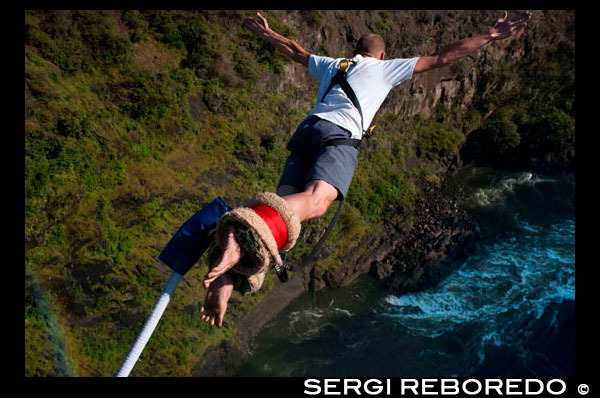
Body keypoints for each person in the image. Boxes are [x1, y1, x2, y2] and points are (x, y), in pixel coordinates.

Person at [201, 10, 532, 327]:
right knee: (317, 201)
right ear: (383, 55)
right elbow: (442, 57)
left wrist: (267, 32)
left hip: (307, 131)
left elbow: (295, 51)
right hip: (339, 136)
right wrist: (490, 35)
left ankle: (231, 274)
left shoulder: (335, 64)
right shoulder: (385, 69)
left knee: (288, 208)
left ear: (354, 51)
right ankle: (240, 233)